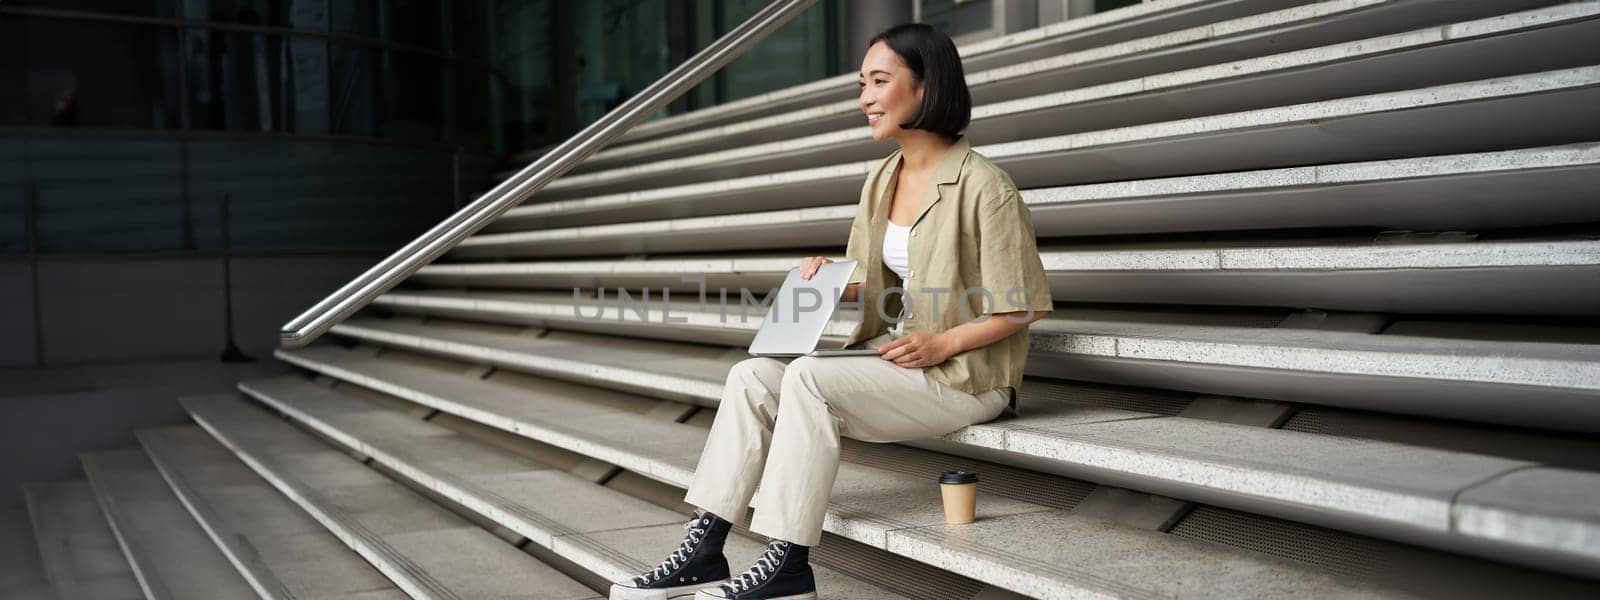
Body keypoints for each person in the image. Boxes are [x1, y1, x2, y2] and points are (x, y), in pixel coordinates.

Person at [611, 23, 1053, 600]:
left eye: (878, 81)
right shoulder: (882, 179)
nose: (865, 98)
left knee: (809, 377)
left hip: (965, 377)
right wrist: (830, 282)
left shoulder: (986, 187)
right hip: (898, 364)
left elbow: (1023, 306)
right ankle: (705, 547)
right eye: (861, 84)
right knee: (751, 376)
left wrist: (942, 343)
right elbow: (884, 287)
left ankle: (788, 564)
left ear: (925, 88)